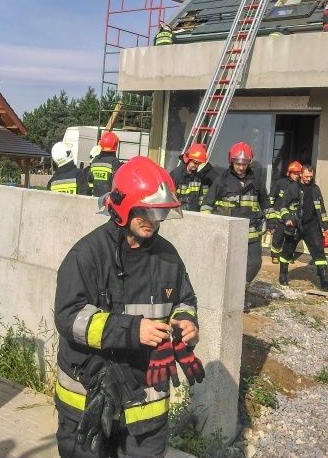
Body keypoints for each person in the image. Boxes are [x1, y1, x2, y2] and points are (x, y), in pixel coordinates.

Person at [54, 156, 204, 458]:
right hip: (88, 400)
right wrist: (132, 330)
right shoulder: (86, 255)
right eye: (145, 211)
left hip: (146, 407)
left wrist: (186, 322)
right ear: (123, 207)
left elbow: (184, 300)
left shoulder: (168, 257)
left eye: (159, 212)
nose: (153, 220)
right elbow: (69, 316)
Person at [201, 142, 272, 311]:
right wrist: (207, 226)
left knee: (254, 263)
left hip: (251, 233)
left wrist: (273, 221)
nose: (241, 167)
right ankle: (229, 297)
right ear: (231, 161)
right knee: (229, 267)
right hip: (229, 234)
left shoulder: (256, 181)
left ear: (249, 162)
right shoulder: (222, 180)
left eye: (244, 163)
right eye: (237, 163)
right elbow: (207, 203)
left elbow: (266, 203)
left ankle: (240, 292)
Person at [273, 164, 328, 290]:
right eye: (306, 176)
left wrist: (326, 227)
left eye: (311, 176)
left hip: (312, 226)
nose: (309, 179)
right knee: (287, 251)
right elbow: (282, 207)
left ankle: (325, 281)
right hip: (295, 226)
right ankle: (283, 276)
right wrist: (287, 218)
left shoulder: (315, 189)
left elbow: (321, 210)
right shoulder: (292, 188)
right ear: (301, 175)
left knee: (319, 252)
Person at [268, 161, 302, 264]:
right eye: (294, 173)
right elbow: (271, 199)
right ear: (289, 173)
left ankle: (287, 256)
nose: (296, 176)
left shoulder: (300, 186)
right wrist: (270, 218)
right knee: (278, 237)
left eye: (298, 174)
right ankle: (275, 255)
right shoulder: (280, 183)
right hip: (279, 218)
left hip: (293, 218)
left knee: (291, 239)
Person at [169, 143, 219, 212]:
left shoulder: (198, 176)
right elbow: (170, 196)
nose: (196, 166)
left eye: (199, 163)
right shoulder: (177, 174)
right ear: (188, 159)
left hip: (194, 213)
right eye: (195, 163)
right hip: (180, 213)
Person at [88, 131, 123, 198]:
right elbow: (117, 183)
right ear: (115, 146)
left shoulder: (94, 161)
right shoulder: (114, 162)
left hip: (95, 198)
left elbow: (90, 181)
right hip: (108, 200)